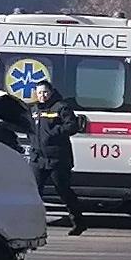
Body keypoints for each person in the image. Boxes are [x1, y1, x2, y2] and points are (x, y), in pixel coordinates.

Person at [28, 87, 84, 234]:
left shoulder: (61, 107)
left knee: (63, 190)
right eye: (40, 93)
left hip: (57, 159)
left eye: (45, 92)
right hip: (38, 158)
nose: (42, 96)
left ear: (51, 92)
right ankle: (33, 223)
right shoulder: (33, 109)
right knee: (33, 191)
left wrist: (53, 133)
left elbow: (72, 126)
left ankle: (79, 221)